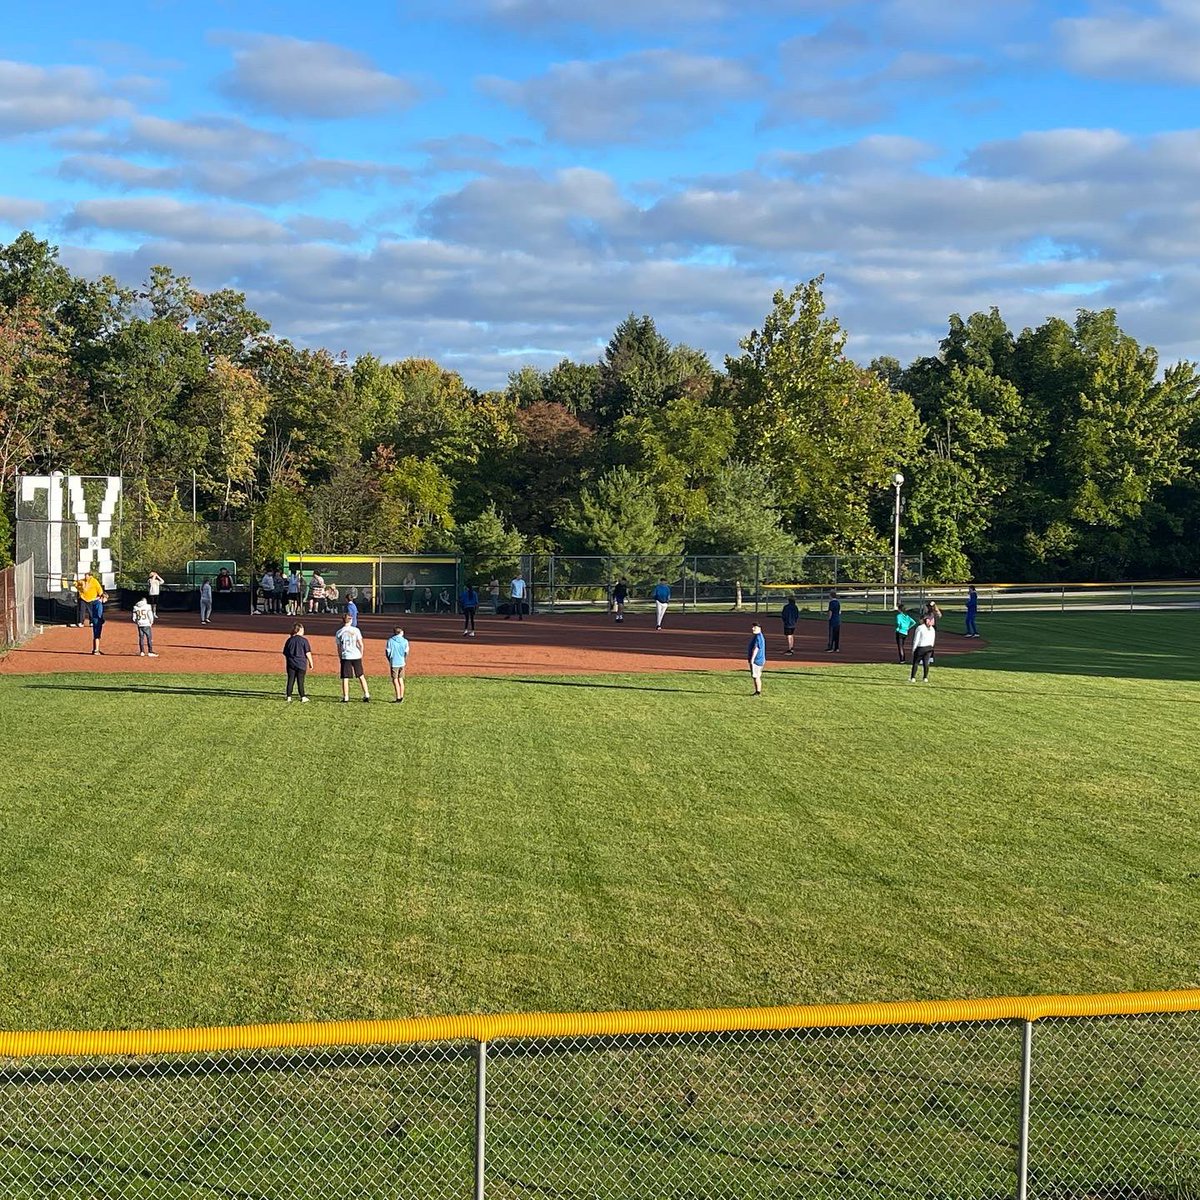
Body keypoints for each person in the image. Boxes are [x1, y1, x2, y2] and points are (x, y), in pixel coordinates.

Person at [335, 612, 370, 702]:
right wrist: (361, 654)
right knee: (361, 675)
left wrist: (340, 656)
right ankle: (366, 694)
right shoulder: (356, 630)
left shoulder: (339, 632)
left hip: (346, 656)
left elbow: (339, 647)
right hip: (356, 655)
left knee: (345, 677)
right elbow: (361, 644)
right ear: (350, 620)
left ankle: (346, 697)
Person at [282, 622, 313, 702]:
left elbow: (285, 652)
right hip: (301, 664)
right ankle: (302, 696)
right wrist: (311, 662)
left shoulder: (289, 640)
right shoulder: (304, 641)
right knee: (300, 681)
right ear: (299, 630)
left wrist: (290, 659)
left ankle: (289, 696)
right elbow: (307, 652)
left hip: (291, 663)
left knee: (290, 680)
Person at [77, 571, 107, 654]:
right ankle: (96, 650)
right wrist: (102, 620)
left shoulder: (94, 602)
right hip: (97, 622)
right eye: (105, 599)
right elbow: (99, 614)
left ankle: (95, 649)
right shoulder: (99, 604)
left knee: (96, 635)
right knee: (97, 636)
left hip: (94, 621)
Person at [909, 614, 936, 683]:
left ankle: (913, 677)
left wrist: (914, 648)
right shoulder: (932, 629)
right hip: (929, 647)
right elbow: (933, 639)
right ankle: (925, 677)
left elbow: (916, 639)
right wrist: (931, 647)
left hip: (921, 647)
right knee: (926, 663)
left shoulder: (920, 628)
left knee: (916, 663)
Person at [386, 625, 409, 702]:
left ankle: (398, 697)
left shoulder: (390, 641)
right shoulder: (405, 641)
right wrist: (404, 659)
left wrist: (390, 659)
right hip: (402, 662)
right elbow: (406, 652)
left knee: (395, 679)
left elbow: (388, 652)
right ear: (401, 632)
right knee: (401, 679)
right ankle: (401, 696)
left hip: (394, 662)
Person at [747, 621, 766, 696]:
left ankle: (757, 692)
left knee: (755, 676)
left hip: (757, 660)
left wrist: (752, 659)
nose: (752, 629)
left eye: (754, 627)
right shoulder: (758, 636)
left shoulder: (758, 637)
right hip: (760, 659)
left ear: (759, 628)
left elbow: (756, 648)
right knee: (757, 676)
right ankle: (757, 691)